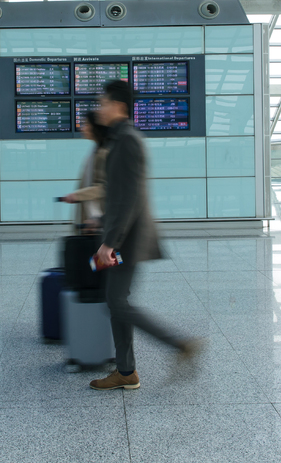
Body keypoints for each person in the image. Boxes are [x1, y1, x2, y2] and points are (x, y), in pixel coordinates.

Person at [88, 80, 201, 391]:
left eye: (103, 103)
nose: (99, 108)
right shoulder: (120, 138)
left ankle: (179, 344)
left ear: (119, 107)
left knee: (116, 302)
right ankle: (126, 371)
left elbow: (129, 198)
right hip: (123, 236)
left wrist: (110, 243)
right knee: (115, 300)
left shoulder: (127, 141)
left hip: (126, 239)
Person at [61, 110, 108, 233]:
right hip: (93, 218)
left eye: (86, 124)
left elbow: (104, 187)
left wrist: (78, 195)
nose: (83, 128)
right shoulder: (95, 150)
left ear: (95, 127)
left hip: (98, 219)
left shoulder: (103, 153)